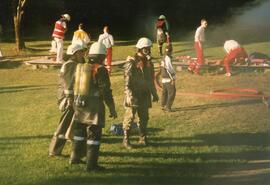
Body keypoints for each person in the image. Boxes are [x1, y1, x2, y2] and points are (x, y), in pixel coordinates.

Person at [69, 42, 117, 172]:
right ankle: (91, 165)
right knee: (93, 136)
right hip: (94, 107)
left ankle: (75, 158)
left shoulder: (81, 66)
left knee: (79, 133)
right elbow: (106, 90)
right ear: (102, 55)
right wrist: (111, 107)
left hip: (79, 105)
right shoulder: (100, 69)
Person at [49, 44, 87, 157]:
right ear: (75, 53)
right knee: (64, 125)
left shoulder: (75, 64)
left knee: (73, 123)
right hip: (67, 99)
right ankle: (54, 150)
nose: (83, 54)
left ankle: (77, 149)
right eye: (81, 52)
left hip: (71, 98)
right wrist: (69, 99)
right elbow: (68, 84)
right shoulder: (71, 65)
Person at [122, 37, 159, 149]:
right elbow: (127, 80)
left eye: (148, 48)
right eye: (145, 48)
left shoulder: (149, 63)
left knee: (144, 117)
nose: (148, 50)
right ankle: (126, 140)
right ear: (140, 48)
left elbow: (150, 80)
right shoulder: (132, 61)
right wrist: (129, 94)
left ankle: (143, 138)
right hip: (133, 93)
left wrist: (154, 93)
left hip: (144, 93)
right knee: (129, 117)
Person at [159, 44, 176, 112]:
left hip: (164, 78)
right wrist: (173, 78)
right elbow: (169, 69)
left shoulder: (164, 56)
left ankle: (163, 105)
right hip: (168, 78)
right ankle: (168, 107)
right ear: (170, 51)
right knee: (172, 92)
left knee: (165, 92)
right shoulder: (168, 58)